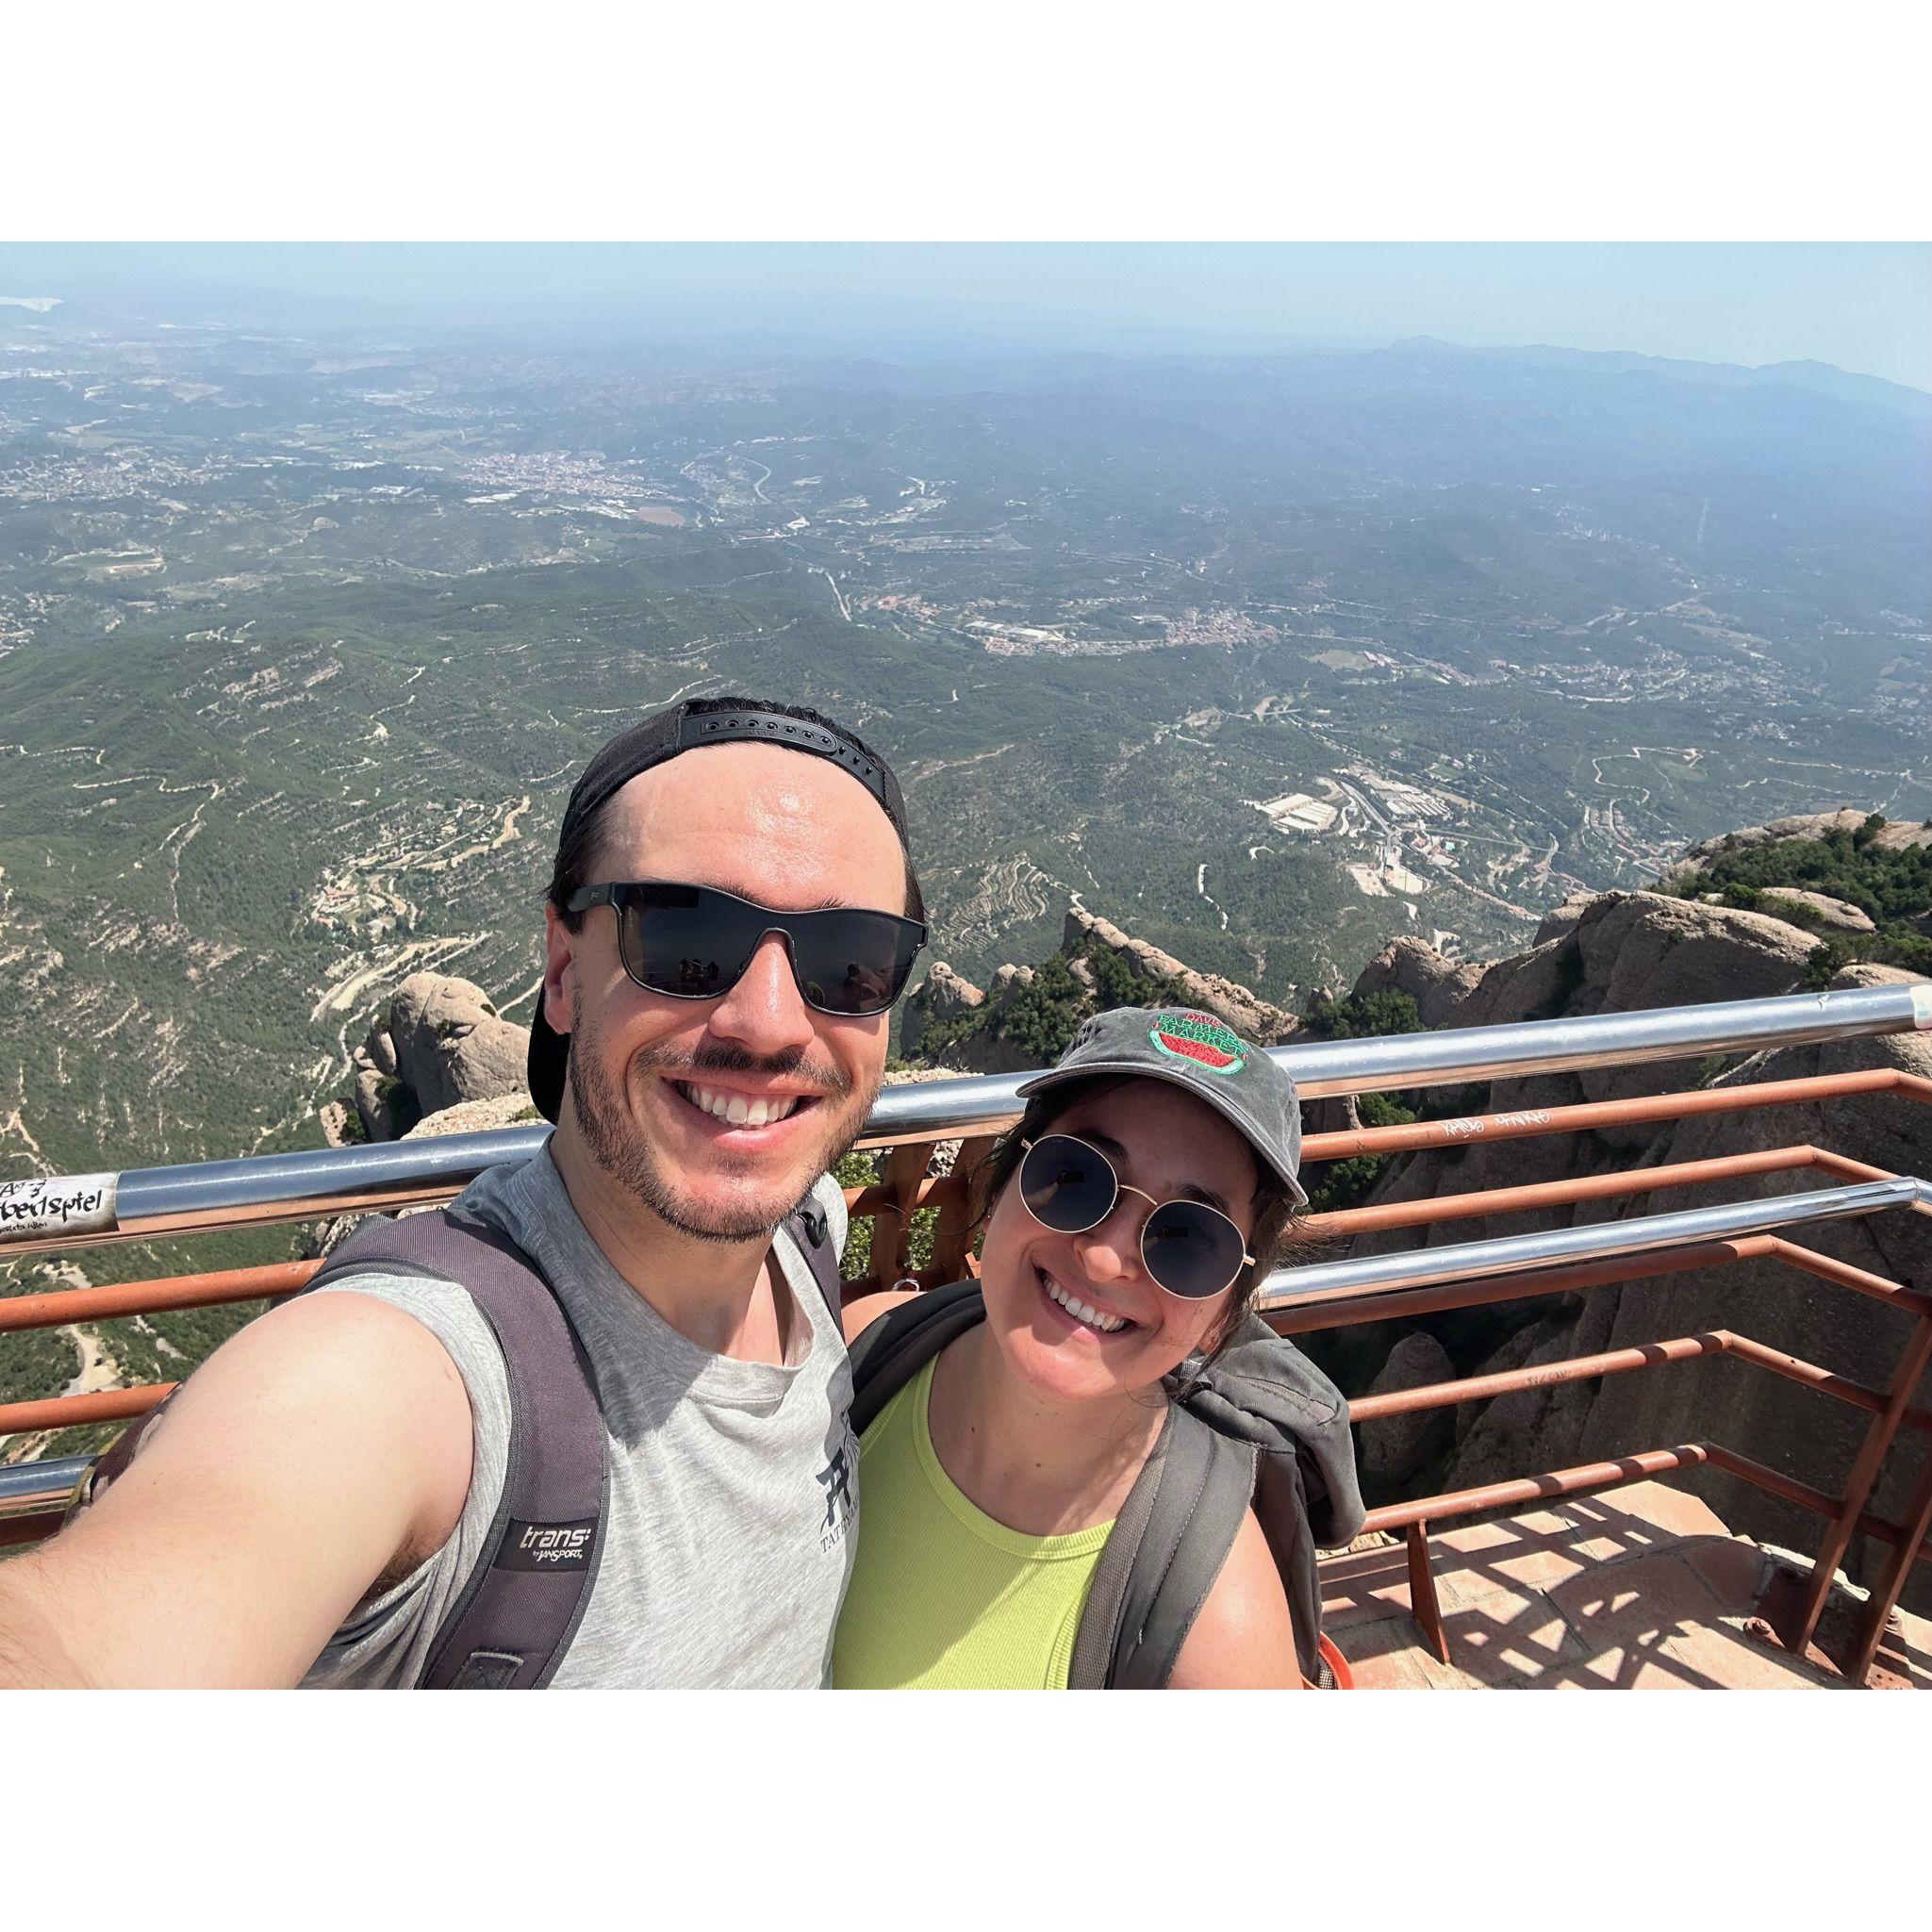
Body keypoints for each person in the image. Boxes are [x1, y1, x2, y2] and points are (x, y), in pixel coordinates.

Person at [0, 696, 926, 1689]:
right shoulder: (420, 1374)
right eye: (687, 938)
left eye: (849, 963)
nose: (770, 1022)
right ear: (564, 971)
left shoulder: (809, 1234)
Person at [832, 1005, 1346, 1690]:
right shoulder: (863, 1350)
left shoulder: (1220, 1640)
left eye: (1189, 1239)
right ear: (1001, 1185)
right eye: (1074, 1176)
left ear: (1223, 1312)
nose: (1105, 1258)